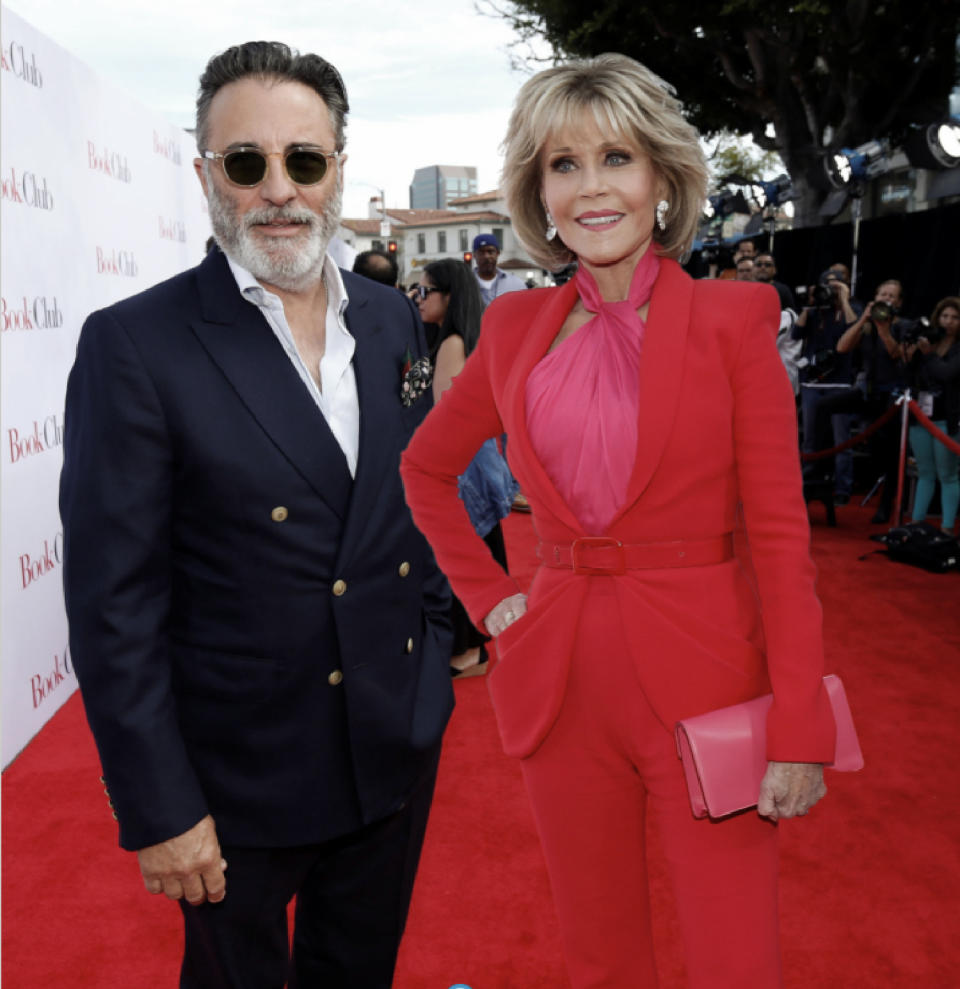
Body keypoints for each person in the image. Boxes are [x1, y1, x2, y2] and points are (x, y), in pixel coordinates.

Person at [401, 53, 835, 989]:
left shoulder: (732, 321)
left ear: (663, 179)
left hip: (708, 680)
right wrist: (491, 599)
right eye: (563, 164)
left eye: (617, 159)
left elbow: (780, 539)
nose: (592, 187)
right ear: (538, 191)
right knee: (599, 957)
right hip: (558, 678)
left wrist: (801, 721)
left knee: (734, 961)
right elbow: (426, 469)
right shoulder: (514, 332)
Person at [59, 41, 453, 989]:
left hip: (392, 747)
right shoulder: (135, 346)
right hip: (237, 779)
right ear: (206, 175)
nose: (278, 189)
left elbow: (411, 498)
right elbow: (114, 607)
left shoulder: (391, 318)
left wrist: (438, 644)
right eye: (247, 163)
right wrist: (160, 806)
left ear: (338, 172)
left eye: (303, 161)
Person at [416, 258, 516, 677]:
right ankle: (473, 647)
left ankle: (467, 652)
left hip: (461, 472)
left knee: (455, 559)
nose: (418, 301)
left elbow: (442, 419)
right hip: (477, 466)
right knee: (480, 552)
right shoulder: (468, 336)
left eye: (426, 292)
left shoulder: (453, 342)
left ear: (449, 296)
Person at [792, 264, 863, 503]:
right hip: (812, 383)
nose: (830, 292)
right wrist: (810, 304)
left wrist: (843, 299)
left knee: (843, 441)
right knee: (810, 440)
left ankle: (843, 491)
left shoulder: (851, 308)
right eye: (828, 286)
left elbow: (855, 330)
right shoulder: (814, 311)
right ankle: (806, 488)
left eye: (836, 286)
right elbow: (795, 334)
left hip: (840, 384)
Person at [904, 296, 960, 533]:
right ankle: (916, 523)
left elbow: (946, 374)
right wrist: (915, 349)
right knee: (925, 472)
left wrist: (929, 354)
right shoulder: (928, 341)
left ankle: (947, 527)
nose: (948, 322)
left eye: (955, 317)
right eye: (945, 316)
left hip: (948, 417)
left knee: (947, 475)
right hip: (922, 416)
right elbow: (906, 369)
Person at [472, 232, 526, 306]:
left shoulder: (516, 285)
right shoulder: (463, 285)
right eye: (481, 252)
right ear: (474, 255)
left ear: (498, 253)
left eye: (490, 252)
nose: (486, 256)